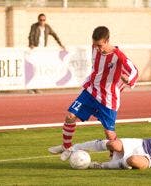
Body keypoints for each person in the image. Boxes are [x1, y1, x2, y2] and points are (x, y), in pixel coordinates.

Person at [48, 26, 138, 161]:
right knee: (70, 116)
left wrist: (128, 79)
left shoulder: (118, 56)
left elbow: (135, 71)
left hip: (108, 97)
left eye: (100, 45)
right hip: (91, 91)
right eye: (95, 45)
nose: (98, 49)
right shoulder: (94, 47)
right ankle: (66, 146)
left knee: (109, 133)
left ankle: (115, 158)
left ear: (107, 41)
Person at [28, 13, 65, 94]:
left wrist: (61, 44)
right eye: (40, 20)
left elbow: (55, 35)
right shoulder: (34, 26)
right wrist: (31, 44)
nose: (42, 22)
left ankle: (36, 87)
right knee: (33, 69)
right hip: (35, 50)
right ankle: (31, 87)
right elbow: (31, 35)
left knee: (39, 69)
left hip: (43, 51)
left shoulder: (47, 27)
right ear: (38, 20)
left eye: (43, 20)